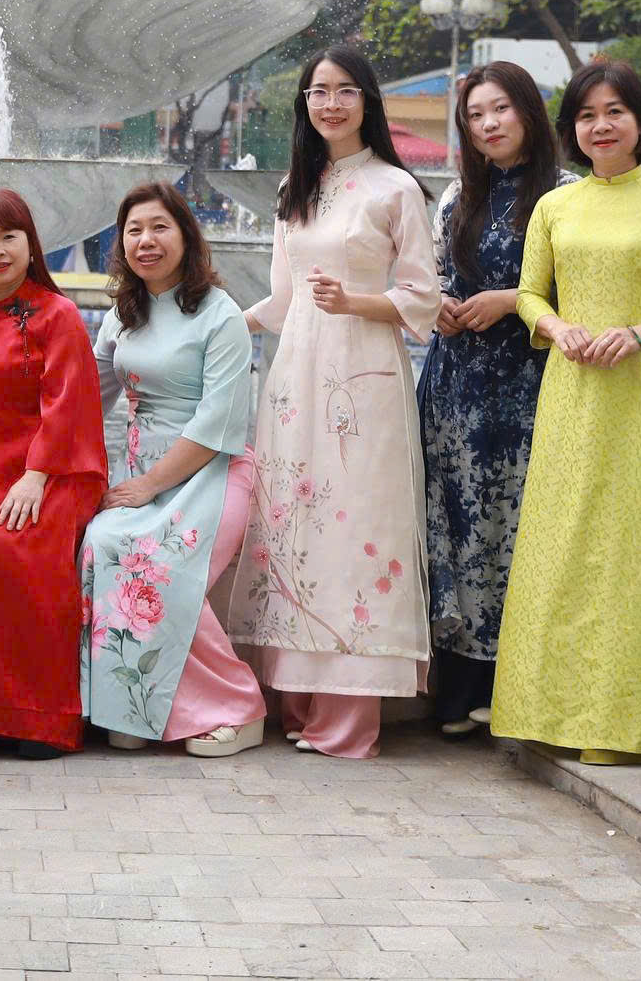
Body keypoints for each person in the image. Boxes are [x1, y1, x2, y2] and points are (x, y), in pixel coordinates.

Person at [492, 58, 641, 766]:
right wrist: (558, 328)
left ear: (640, 123)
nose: (601, 126)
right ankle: (547, 713)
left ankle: (627, 725)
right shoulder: (554, 207)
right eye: (587, 115)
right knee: (560, 542)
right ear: (572, 130)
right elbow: (529, 294)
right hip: (570, 392)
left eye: (614, 112)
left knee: (635, 547)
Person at [227, 42, 441, 760]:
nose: (331, 103)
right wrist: (221, 324)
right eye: (318, 91)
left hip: (364, 378)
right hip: (296, 379)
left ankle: (349, 717)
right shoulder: (297, 187)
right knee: (296, 524)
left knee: (357, 529)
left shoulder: (394, 188)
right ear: (305, 104)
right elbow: (281, 300)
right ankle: (297, 699)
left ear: (367, 101)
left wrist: (355, 301)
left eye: (346, 90)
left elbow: (423, 297)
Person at [80, 181, 265, 757]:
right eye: (134, 230)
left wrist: (147, 487)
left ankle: (240, 706)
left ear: (186, 235)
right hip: (142, 474)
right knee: (98, 544)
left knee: (155, 566)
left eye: (160, 227)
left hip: (212, 473)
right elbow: (85, 398)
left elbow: (217, 423)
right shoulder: (123, 316)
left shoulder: (220, 315)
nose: (146, 240)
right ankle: (133, 707)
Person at [418, 61, 566, 737]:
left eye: (500, 108)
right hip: (455, 390)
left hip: (526, 387)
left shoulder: (564, 196)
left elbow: (580, 292)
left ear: (528, 111)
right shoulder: (457, 197)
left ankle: (513, 687)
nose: (489, 123)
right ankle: (458, 687)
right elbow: (434, 279)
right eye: (475, 114)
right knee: (456, 526)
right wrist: (442, 307)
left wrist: (511, 300)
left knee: (517, 527)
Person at [0, 189, 105, 760]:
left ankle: (37, 717)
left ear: (32, 243)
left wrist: (37, 474)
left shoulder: (58, 315)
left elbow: (68, 403)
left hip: (52, 469)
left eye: (9, 237)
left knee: (23, 548)